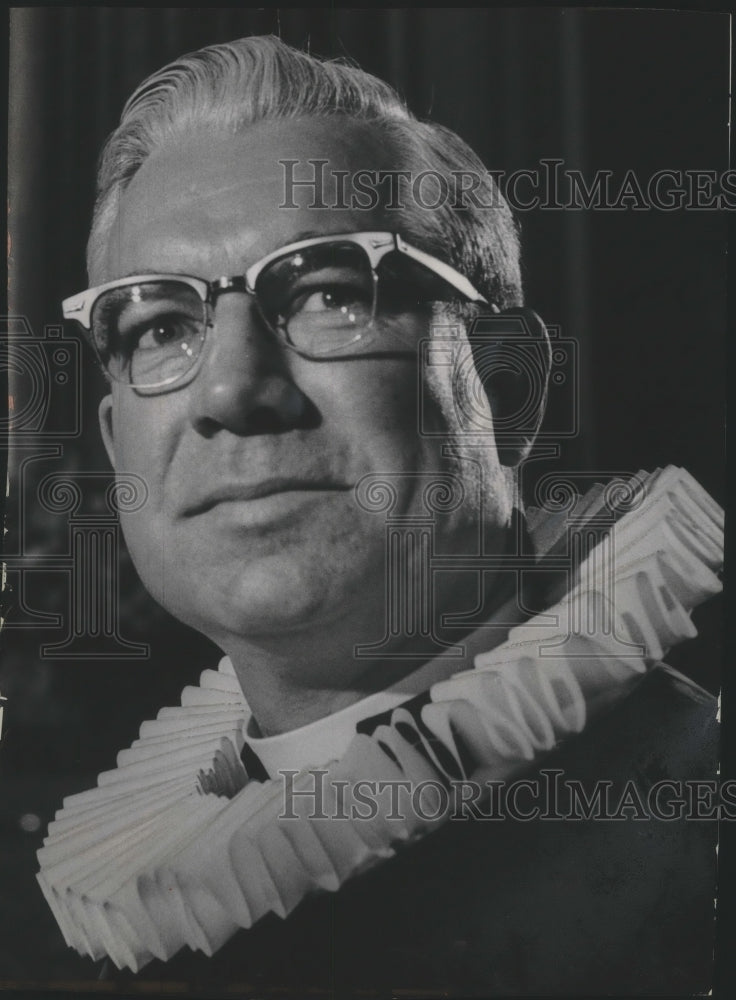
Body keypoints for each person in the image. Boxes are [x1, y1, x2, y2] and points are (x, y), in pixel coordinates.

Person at [39, 35, 723, 995]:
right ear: (118, 449)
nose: (232, 390)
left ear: (508, 386)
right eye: (160, 327)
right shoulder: (114, 939)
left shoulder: (704, 826)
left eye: (327, 294)